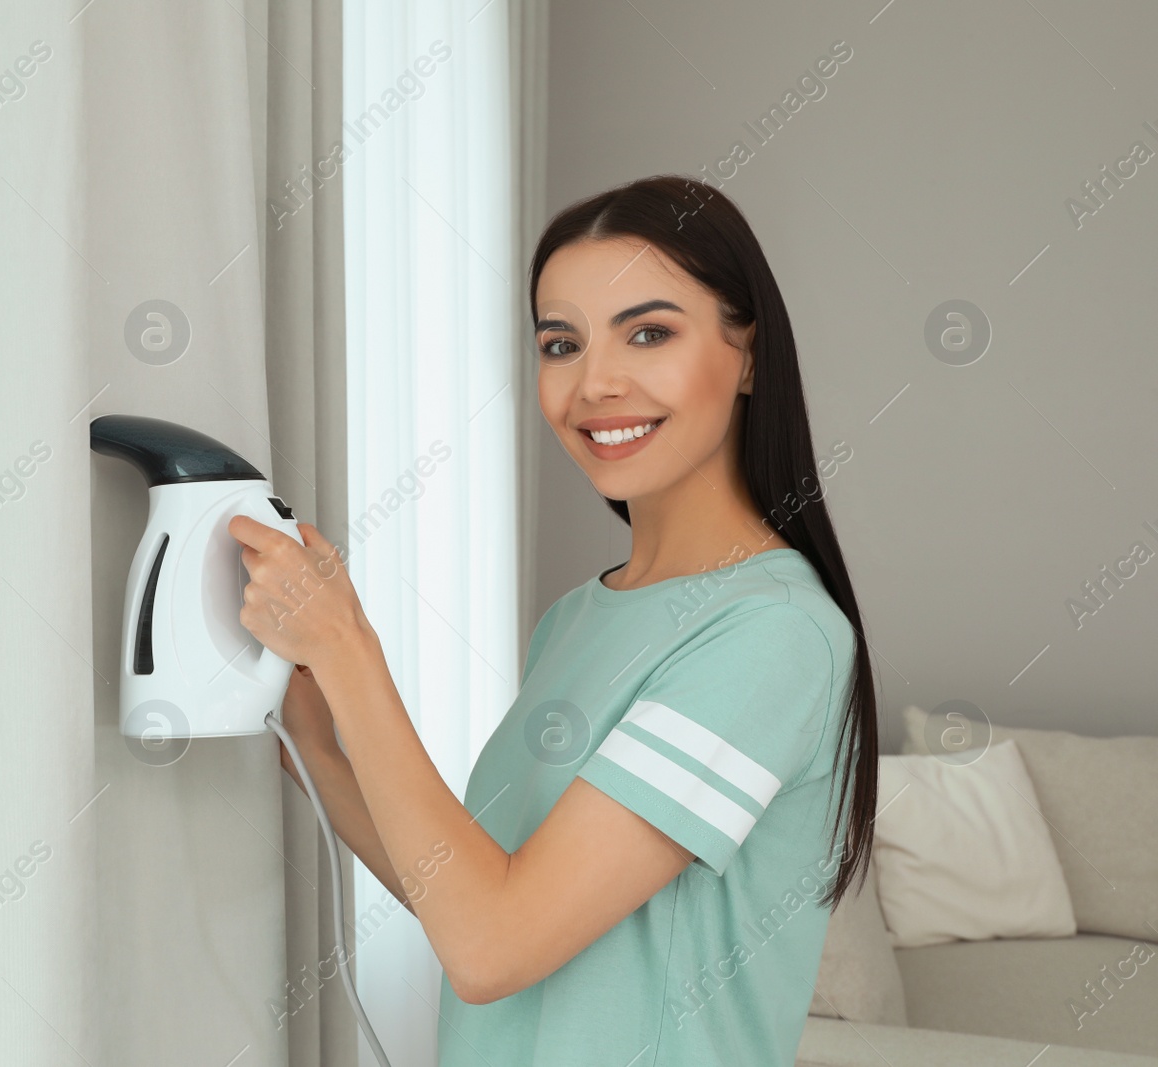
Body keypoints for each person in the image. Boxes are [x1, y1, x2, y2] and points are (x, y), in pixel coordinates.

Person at [228, 174, 879, 1067]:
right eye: (561, 343)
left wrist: (348, 649)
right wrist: (321, 754)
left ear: (750, 356)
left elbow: (491, 947)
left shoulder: (771, 636)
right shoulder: (578, 617)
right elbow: (473, 899)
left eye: (649, 332)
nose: (596, 382)